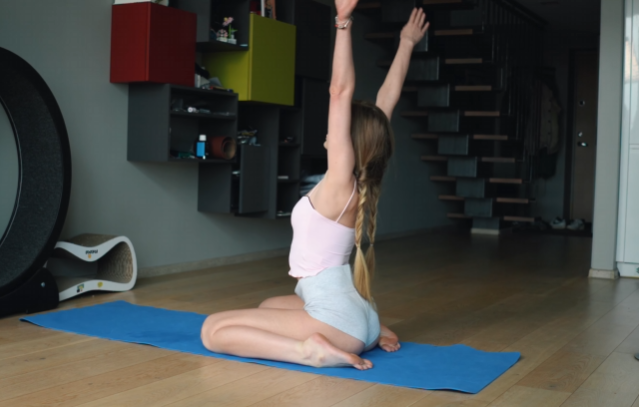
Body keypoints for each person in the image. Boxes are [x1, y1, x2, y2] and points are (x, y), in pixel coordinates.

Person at [200, 0, 430, 370]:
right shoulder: (360, 183)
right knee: (268, 307)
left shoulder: (340, 181)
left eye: (339, 127)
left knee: (212, 330)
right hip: (361, 317)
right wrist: (405, 42)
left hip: (342, 322)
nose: (331, 128)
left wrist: (343, 22)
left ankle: (310, 352)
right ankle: (375, 332)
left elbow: (340, 91)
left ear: (348, 142)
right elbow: (384, 104)